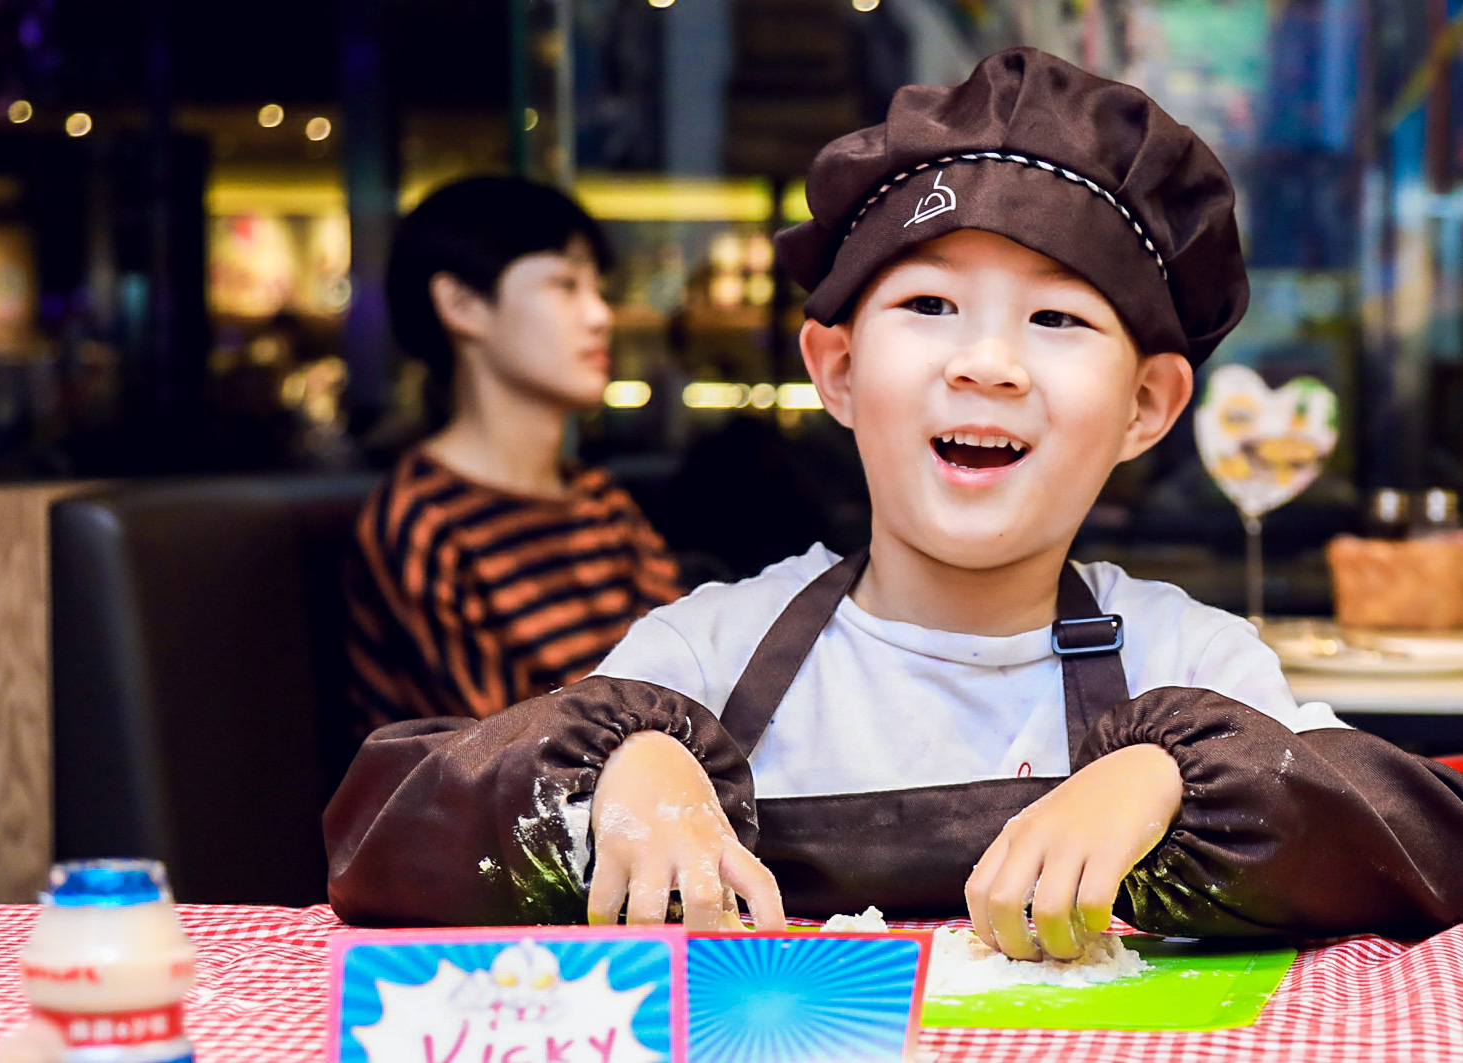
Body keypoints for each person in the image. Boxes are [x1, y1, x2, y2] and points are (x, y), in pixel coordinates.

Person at [324, 50, 1463, 956]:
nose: (986, 363)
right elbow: (385, 836)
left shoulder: (1189, 659)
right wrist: (620, 770)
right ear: (835, 369)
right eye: (927, 305)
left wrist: (1168, 774)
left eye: (1056, 319)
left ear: (1146, 405)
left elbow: (1410, 838)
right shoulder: (704, 652)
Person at [343, 176, 682, 730]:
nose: (601, 315)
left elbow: (692, 678)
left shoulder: (600, 501)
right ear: (461, 305)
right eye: (565, 285)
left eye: (598, 289)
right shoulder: (422, 525)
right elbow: (497, 759)